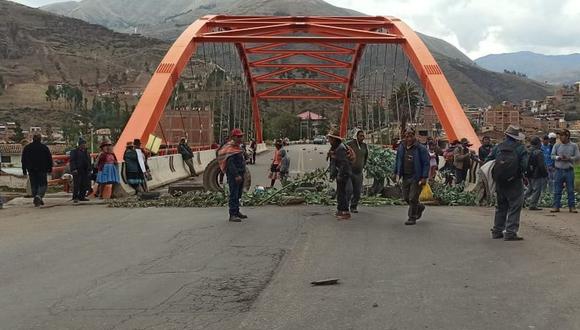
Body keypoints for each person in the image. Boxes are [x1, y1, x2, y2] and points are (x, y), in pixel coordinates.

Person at [486, 125, 528, 241]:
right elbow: (524, 165)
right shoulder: (521, 148)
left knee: (501, 206)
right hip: (514, 181)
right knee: (515, 206)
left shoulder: (498, 147)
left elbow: (488, 161)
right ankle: (510, 232)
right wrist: (518, 174)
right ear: (516, 137)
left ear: (506, 135)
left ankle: (497, 231)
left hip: (499, 182)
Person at [395, 129, 429, 226]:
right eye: (407, 136)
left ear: (414, 136)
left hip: (416, 177)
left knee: (413, 198)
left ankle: (412, 217)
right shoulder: (401, 147)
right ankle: (419, 207)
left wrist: (424, 177)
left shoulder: (420, 148)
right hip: (405, 176)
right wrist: (396, 173)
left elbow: (426, 163)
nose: (409, 138)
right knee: (406, 197)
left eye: (411, 136)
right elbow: (398, 160)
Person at [218, 129, 247, 222]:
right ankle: (232, 214)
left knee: (238, 193)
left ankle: (237, 211)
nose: (240, 138)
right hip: (234, 174)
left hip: (241, 173)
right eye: (238, 136)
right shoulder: (230, 148)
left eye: (241, 136)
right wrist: (236, 175)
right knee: (233, 194)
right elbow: (230, 164)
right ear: (233, 137)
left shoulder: (238, 147)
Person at [551, 129, 579, 213]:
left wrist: (569, 158)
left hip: (569, 171)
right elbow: (552, 156)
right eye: (560, 136)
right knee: (557, 190)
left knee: (570, 190)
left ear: (567, 136)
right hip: (558, 170)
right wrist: (558, 157)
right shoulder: (556, 145)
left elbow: (577, 157)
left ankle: (572, 207)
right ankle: (556, 206)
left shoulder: (574, 146)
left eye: (562, 135)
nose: (560, 137)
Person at [21, 134, 53, 207]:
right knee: (43, 185)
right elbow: (49, 159)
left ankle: (37, 198)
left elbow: (23, 160)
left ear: (33, 139)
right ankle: (38, 196)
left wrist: (24, 170)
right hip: (42, 169)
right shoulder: (44, 147)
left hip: (31, 170)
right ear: (40, 139)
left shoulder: (27, 148)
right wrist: (50, 169)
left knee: (34, 185)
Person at [327, 128, 352, 220]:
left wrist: (340, 175)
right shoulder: (336, 147)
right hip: (340, 174)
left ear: (334, 139)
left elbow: (343, 163)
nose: (329, 140)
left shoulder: (340, 148)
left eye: (330, 138)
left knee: (342, 193)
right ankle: (340, 210)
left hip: (343, 174)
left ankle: (345, 211)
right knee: (340, 193)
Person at [346, 129, 368, 213]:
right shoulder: (350, 145)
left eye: (363, 136)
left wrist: (363, 165)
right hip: (350, 171)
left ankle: (353, 206)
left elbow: (365, 157)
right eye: (360, 136)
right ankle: (345, 206)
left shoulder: (364, 146)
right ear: (356, 136)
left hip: (359, 173)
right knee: (349, 190)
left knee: (357, 191)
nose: (362, 138)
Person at [524, 137, 548, 211]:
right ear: (538, 143)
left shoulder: (527, 150)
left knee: (530, 189)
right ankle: (533, 205)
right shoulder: (539, 152)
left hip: (528, 173)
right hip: (536, 174)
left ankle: (520, 200)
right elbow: (541, 165)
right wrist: (545, 173)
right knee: (537, 190)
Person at [69, 137, 92, 203]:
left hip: (85, 170)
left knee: (84, 184)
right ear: (79, 145)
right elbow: (72, 161)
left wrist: (89, 169)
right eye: (82, 144)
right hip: (77, 170)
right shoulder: (74, 152)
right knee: (77, 184)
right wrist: (74, 169)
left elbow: (89, 161)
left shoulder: (86, 152)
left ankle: (82, 196)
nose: (84, 145)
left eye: (84, 144)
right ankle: (75, 197)